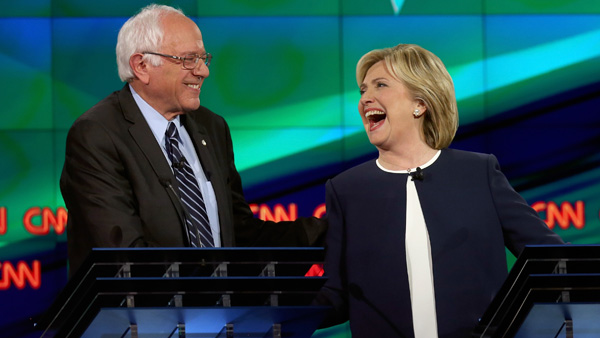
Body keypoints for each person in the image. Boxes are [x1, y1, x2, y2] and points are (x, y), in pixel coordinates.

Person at [313, 44, 564, 338]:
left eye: (380, 85)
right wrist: (269, 308)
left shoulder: (477, 173)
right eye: (362, 90)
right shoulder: (346, 190)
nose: (366, 98)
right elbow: (336, 295)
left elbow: (552, 260)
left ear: (420, 104)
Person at [60, 4, 326, 277]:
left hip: (218, 316)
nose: (202, 71)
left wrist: (326, 232)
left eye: (203, 58)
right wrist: (207, 281)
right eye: (188, 59)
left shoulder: (211, 128)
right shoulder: (97, 134)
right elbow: (124, 255)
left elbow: (239, 235)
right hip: (136, 316)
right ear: (141, 66)